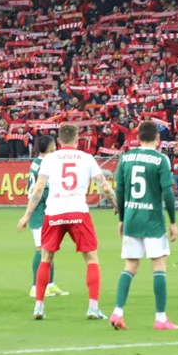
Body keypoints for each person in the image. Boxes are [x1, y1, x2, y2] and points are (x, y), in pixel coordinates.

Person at [17, 123, 117, 320]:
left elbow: (38, 189)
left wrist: (27, 214)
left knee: (46, 257)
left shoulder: (49, 159)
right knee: (91, 259)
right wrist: (116, 204)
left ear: (60, 141)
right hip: (78, 212)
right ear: (78, 139)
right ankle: (93, 307)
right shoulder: (86, 158)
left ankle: (39, 307)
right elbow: (104, 186)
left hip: (54, 212)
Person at [109, 121, 178, 331]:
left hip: (131, 217)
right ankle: (161, 318)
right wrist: (173, 221)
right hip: (153, 220)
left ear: (137, 138)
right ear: (158, 139)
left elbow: (119, 190)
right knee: (159, 266)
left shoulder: (126, 157)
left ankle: (118, 312)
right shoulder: (160, 159)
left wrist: (122, 218)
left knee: (130, 266)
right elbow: (167, 193)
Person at [27, 135, 67, 298]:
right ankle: (35, 287)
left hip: (44, 210)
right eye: (54, 148)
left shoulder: (38, 162)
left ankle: (49, 284)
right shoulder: (45, 165)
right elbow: (41, 191)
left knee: (49, 249)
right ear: (51, 150)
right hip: (39, 211)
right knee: (41, 249)